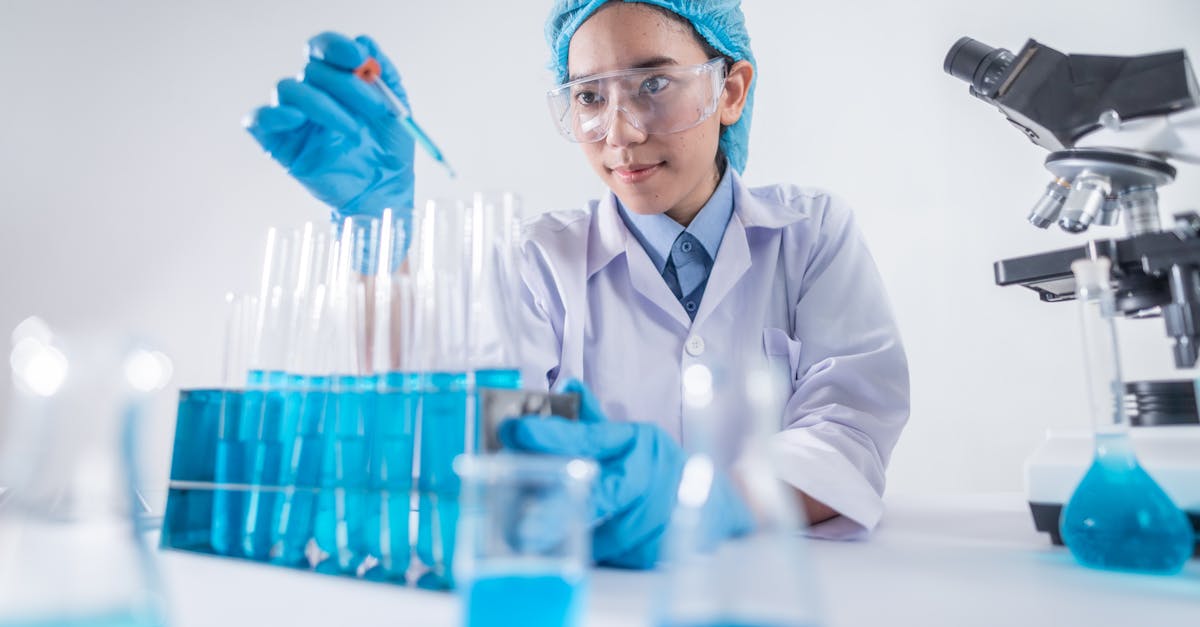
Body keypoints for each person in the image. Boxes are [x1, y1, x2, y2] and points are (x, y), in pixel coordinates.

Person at [245, 0, 910, 570]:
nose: (618, 133)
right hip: (598, 596)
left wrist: (710, 499)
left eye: (653, 85)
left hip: (774, 589)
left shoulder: (811, 232)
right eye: (590, 96)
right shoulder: (540, 259)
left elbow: (849, 432)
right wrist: (379, 242)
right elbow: (464, 422)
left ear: (729, 92)